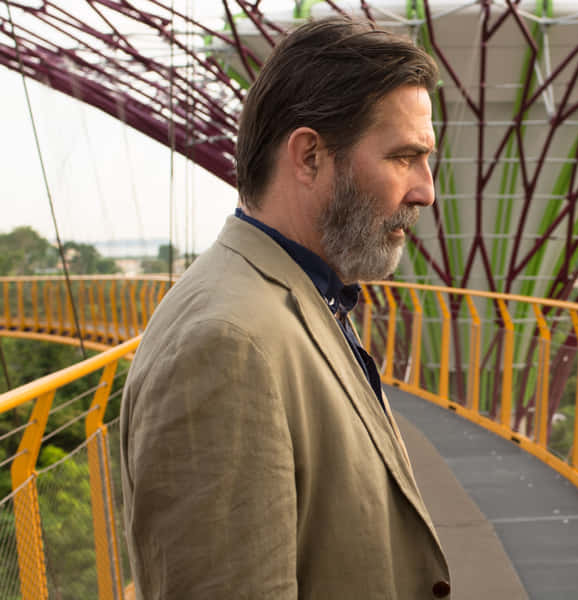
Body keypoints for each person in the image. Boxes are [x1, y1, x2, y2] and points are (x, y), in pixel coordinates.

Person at [120, 18, 452, 598]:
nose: (426, 190)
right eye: (404, 157)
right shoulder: (224, 344)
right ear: (309, 156)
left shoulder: (298, 297)